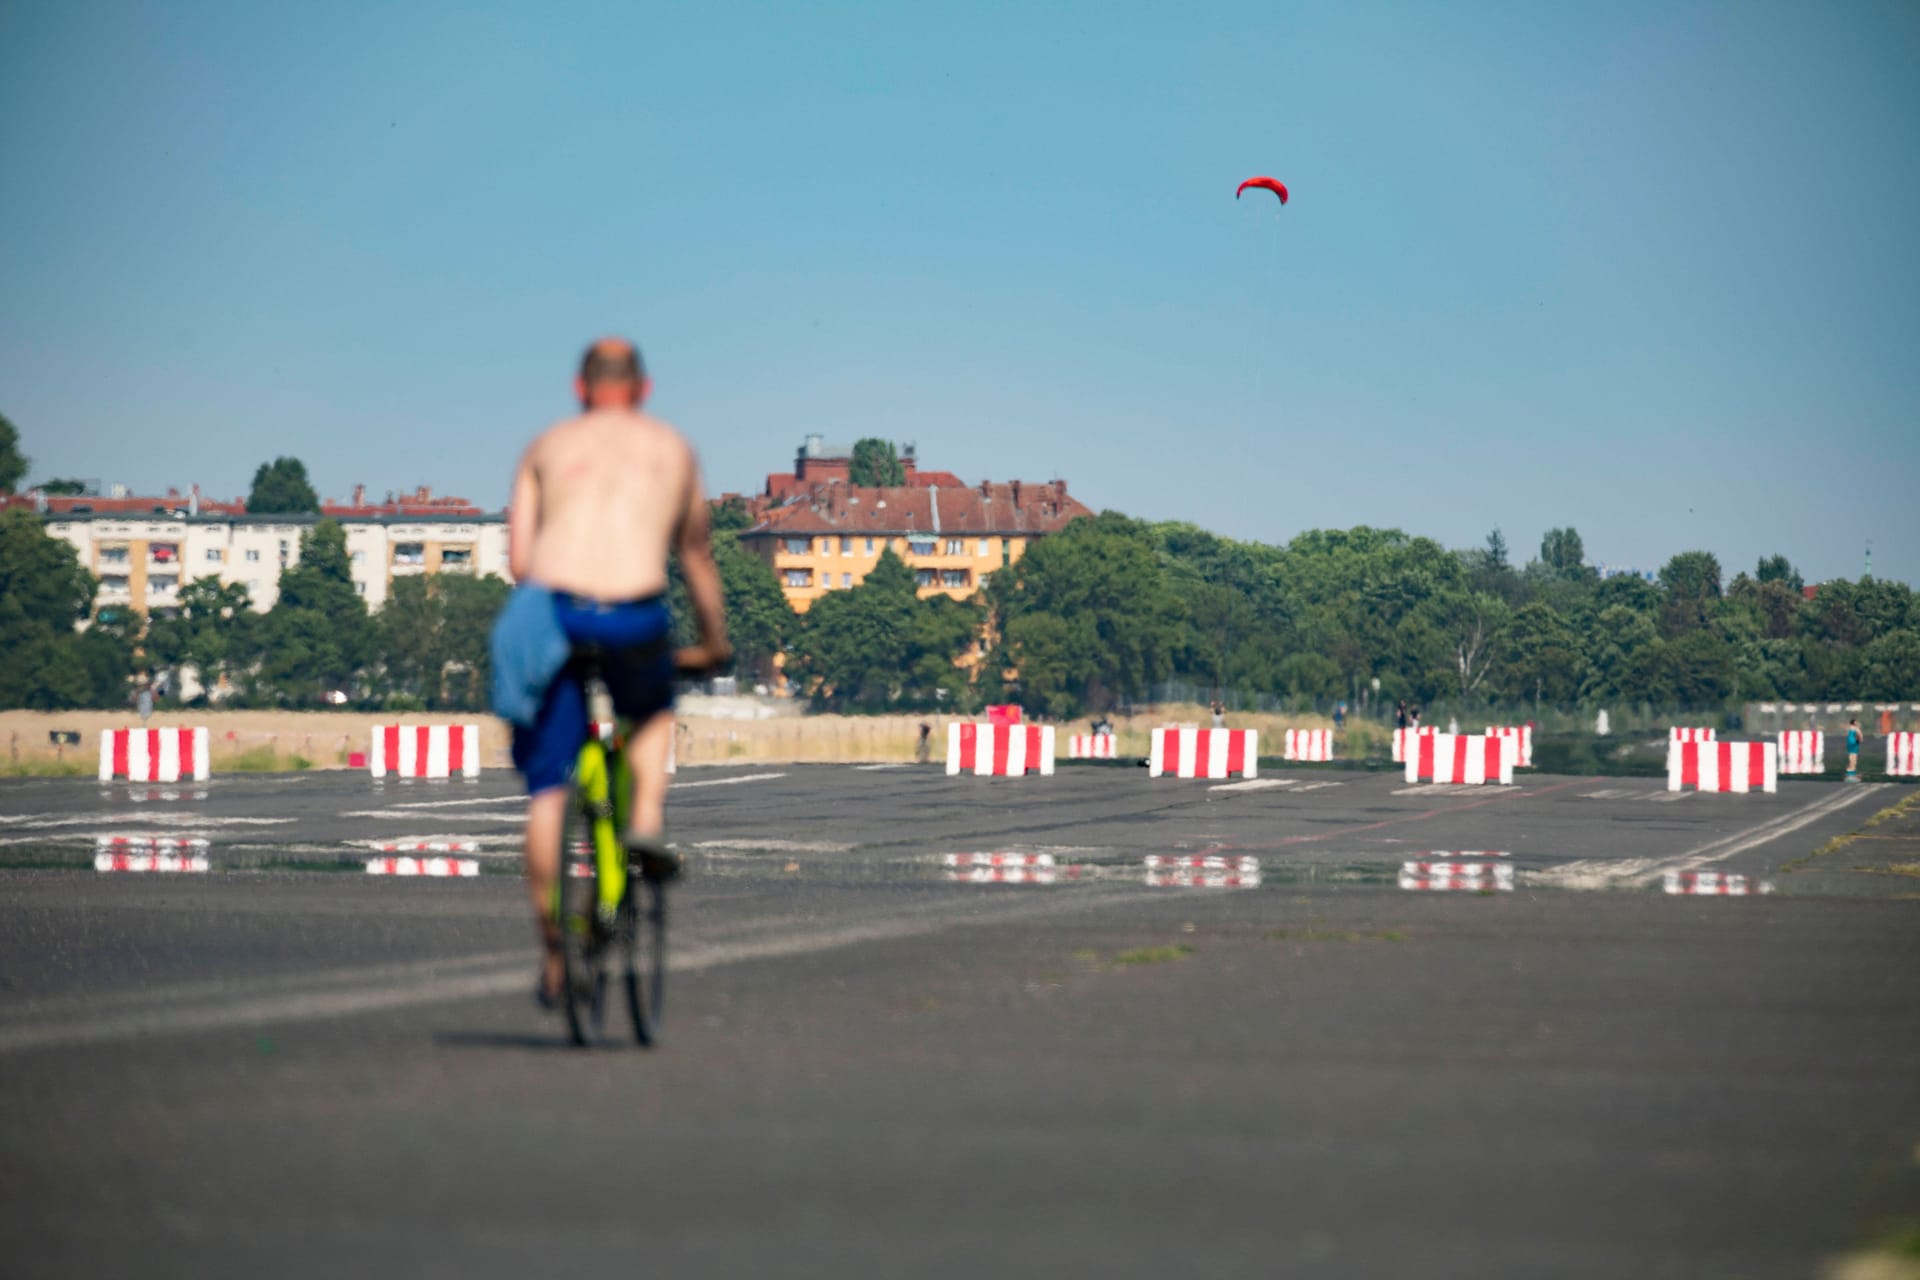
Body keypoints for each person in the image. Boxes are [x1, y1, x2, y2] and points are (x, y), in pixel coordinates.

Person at [496, 338, 730, 1008]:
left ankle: (552, 959)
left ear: (580, 387)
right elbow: (695, 554)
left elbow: (520, 561)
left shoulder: (545, 446)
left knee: (547, 792)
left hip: (550, 614)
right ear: (644, 388)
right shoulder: (671, 449)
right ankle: (644, 824)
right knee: (653, 712)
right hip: (631, 614)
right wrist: (713, 643)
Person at [1846, 717, 1862, 781]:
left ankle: (1850, 769)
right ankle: (1852, 769)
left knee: (1851, 755)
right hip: (1854, 742)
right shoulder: (1856, 728)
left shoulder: (1849, 728)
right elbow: (1860, 736)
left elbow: (1848, 735)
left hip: (1849, 743)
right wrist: (1858, 741)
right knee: (1854, 756)